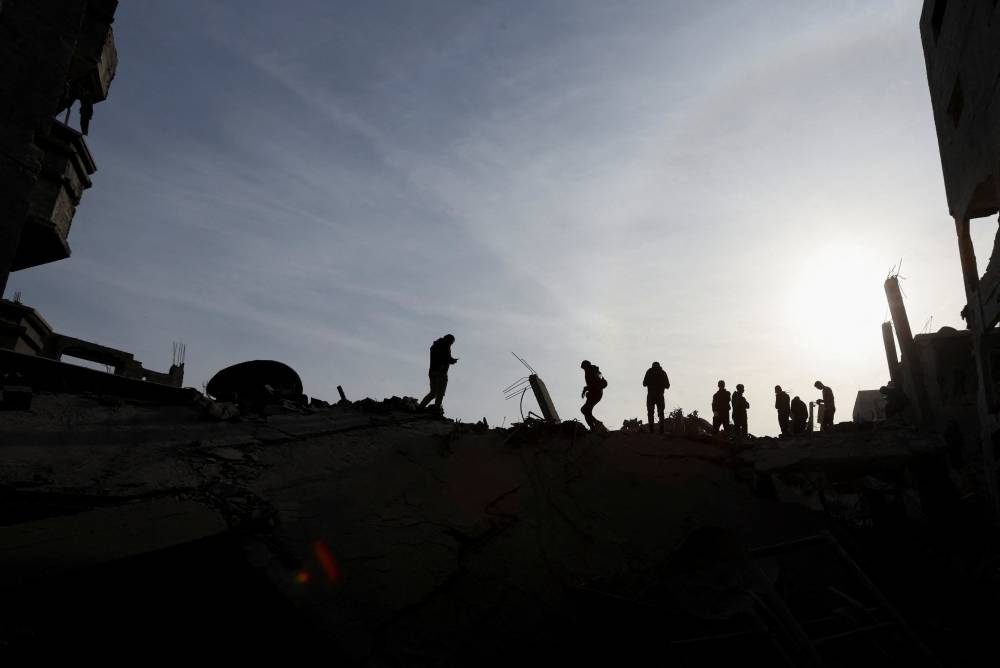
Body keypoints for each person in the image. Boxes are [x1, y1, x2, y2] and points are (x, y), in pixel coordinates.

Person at [419, 334, 458, 411]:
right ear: (449, 340)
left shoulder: (436, 345)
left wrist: (450, 360)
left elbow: (442, 357)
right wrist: (451, 360)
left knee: (433, 392)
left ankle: (420, 407)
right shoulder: (445, 346)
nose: (451, 344)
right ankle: (436, 410)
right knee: (440, 393)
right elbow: (444, 357)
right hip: (441, 372)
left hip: (432, 371)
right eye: (452, 342)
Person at [642, 362, 670, 434]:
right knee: (660, 413)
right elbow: (667, 385)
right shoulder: (662, 373)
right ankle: (661, 430)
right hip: (659, 395)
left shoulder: (649, 372)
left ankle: (652, 430)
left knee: (650, 412)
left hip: (651, 395)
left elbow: (644, 383)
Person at [580, 360, 607, 431]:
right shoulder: (591, 371)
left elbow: (597, 383)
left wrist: (587, 389)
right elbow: (593, 383)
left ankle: (594, 427)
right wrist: (585, 390)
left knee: (585, 410)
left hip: (596, 394)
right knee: (585, 410)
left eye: (583, 367)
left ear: (586, 365)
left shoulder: (593, 370)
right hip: (594, 393)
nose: (583, 369)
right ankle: (596, 424)